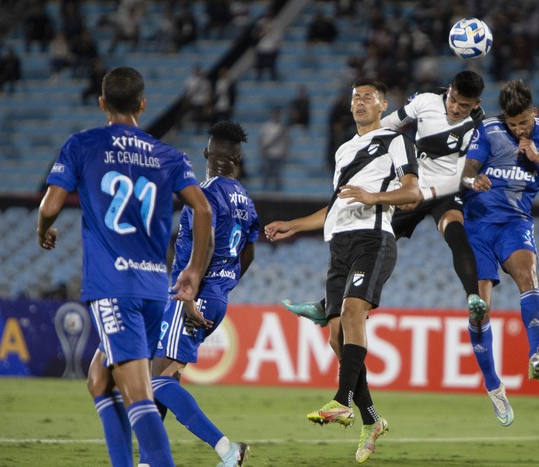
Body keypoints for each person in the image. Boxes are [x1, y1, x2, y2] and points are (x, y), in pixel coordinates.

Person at [281, 71, 509, 425]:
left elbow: (474, 165)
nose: (454, 108)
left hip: (440, 190)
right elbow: (390, 122)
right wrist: (370, 139)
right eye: (452, 100)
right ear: (447, 91)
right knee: (380, 232)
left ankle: (472, 297)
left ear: (475, 105)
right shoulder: (424, 103)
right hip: (407, 194)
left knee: (454, 231)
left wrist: (470, 180)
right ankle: (330, 309)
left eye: (464, 106)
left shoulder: (479, 129)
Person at [37, 66, 213, 467]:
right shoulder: (168, 155)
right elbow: (202, 208)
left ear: (102, 104)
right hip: (154, 289)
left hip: (114, 287)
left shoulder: (82, 145)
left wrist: (42, 230)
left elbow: (49, 206)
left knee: (137, 393)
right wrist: (194, 271)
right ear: (143, 105)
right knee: (100, 379)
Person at [264, 78, 419, 463]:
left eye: (368, 97)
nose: (360, 102)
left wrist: (375, 197)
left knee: (352, 312)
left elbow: (412, 192)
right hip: (339, 245)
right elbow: (334, 207)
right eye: (355, 98)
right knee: (337, 338)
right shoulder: (345, 150)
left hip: (374, 238)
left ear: (384, 104)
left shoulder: (395, 140)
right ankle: (372, 419)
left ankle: (341, 401)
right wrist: (294, 224)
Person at [459, 79, 539, 422]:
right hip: (478, 224)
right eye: (512, 124)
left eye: (523, 123)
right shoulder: (488, 131)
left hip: (515, 223)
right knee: (480, 309)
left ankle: (536, 355)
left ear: (533, 112)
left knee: (528, 275)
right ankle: (493, 386)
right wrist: (475, 181)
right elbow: (467, 172)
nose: (517, 130)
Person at [139, 121, 258, 467]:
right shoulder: (245, 199)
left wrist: (190, 295)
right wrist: (224, 284)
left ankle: (227, 450)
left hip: (190, 296)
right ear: (237, 157)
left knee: (155, 382)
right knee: (165, 378)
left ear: (207, 153)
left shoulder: (201, 193)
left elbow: (201, 249)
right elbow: (248, 252)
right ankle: (149, 462)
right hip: (216, 295)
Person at [259, 107, 289, 191]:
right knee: (266, 175)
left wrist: (285, 151)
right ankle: (264, 192)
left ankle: (278, 193)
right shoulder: (266, 126)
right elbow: (261, 138)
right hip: (268, 153)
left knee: (278, 175)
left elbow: (286, 140)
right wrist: (262, 149)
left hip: (278, 154)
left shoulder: (282, 127)